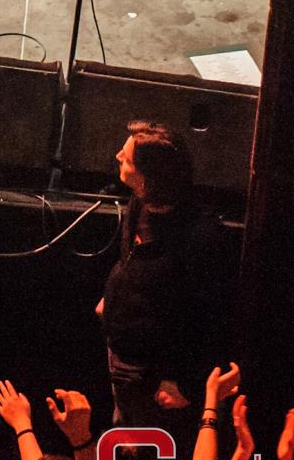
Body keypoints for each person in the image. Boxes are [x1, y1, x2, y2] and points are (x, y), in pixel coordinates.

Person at [96, 122, 226, 432]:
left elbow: (210, 320)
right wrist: (114, 299)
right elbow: (132, 261)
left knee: (153, 448)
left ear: (148, 176)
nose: (118, 157)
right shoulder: (140, 204)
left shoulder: (201, 236)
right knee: (122, 438)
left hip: (157, 380)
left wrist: (184, 381)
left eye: (127, 158)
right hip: (122, 359)